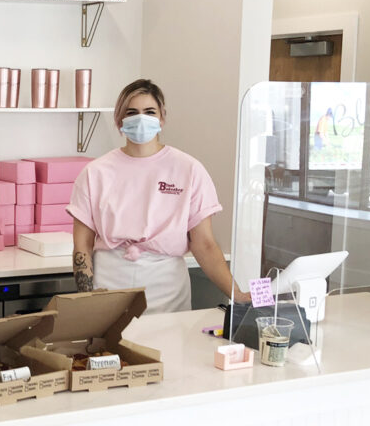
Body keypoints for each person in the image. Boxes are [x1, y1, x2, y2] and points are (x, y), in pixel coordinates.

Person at [67, 79, 249, 313]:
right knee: (109, 349)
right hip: (109, 283)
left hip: (167, 288)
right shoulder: (95, 173)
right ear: (119, 121)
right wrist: (88, 297)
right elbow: (82, 244)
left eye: (149, 112)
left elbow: (204, 244)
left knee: (167, 347)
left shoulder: (188, 169)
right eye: (131, 113)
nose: (141, 118)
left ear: (162, 118)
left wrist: (238, 295)